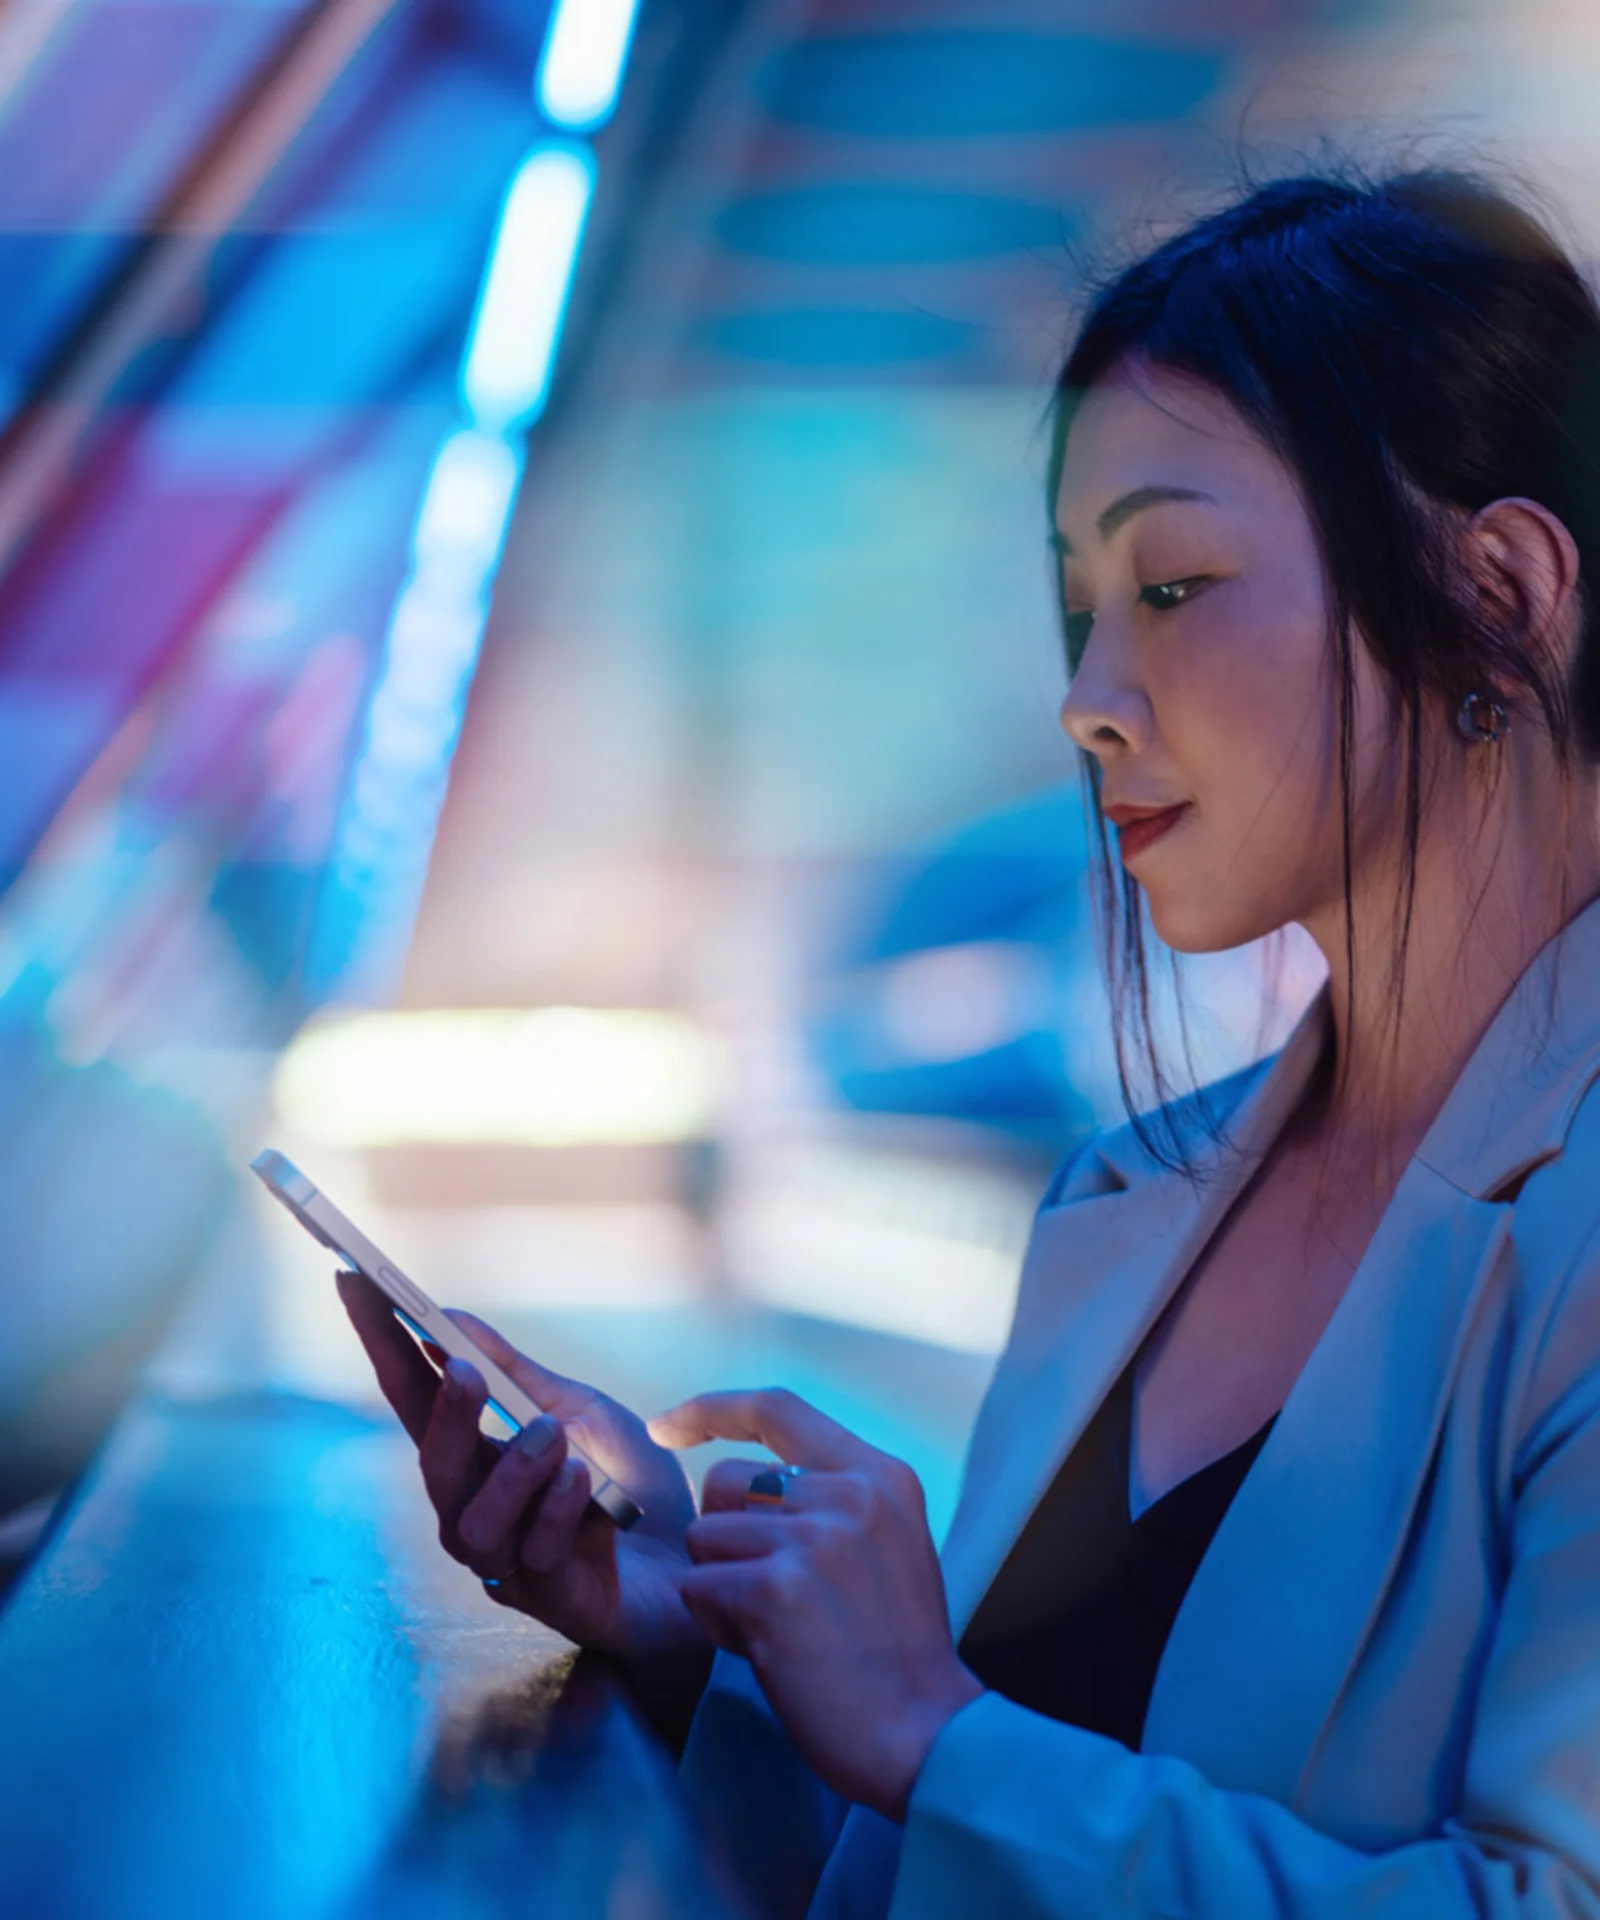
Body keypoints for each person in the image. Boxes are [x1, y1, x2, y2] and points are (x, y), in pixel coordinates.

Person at [339, 166, 1600, 1916]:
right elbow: (1005, 1808)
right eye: (1084, 606)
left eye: (1175, 583)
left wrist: (930, 1727)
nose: (1089, 692)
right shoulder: (1133, 1200)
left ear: (1506, 591)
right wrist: (716, 1636)